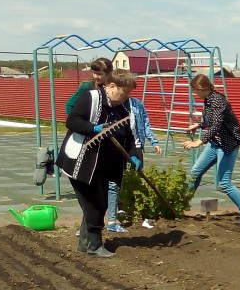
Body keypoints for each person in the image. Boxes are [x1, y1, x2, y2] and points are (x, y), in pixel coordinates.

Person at [56, 70, 142, 258]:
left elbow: (130, 138)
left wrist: (136, 156)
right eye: (124, 92)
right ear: (112, 86)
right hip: (81, 163)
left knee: (98, 204)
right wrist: (93, 128)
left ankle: (85, 245)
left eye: (129, 93)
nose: (127, 96)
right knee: (95, 204)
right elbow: (72, 121)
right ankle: (94, 246)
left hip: (103, 167)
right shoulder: (91, 98)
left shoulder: (122, 111)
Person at [183, 74, 240, 224]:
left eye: (195, 90)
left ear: (201, 88)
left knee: (224, 183)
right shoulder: (208, 99)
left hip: (227, 145)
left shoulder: (218, 100)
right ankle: (180, 205)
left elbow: (217, 124)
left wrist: (199, 141)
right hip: (215, 143)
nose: (194, 93)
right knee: (195, 173)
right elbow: (209, 120)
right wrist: (198, 125)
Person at [106, 94, 162, 232]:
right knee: (117, 178)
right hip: (119, 145)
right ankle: (119, 208)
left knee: (136, 177)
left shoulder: (136, 104)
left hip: (135, 145)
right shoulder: (112, 105)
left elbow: (145, 123)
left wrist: (154, 142)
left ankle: (136, 208)